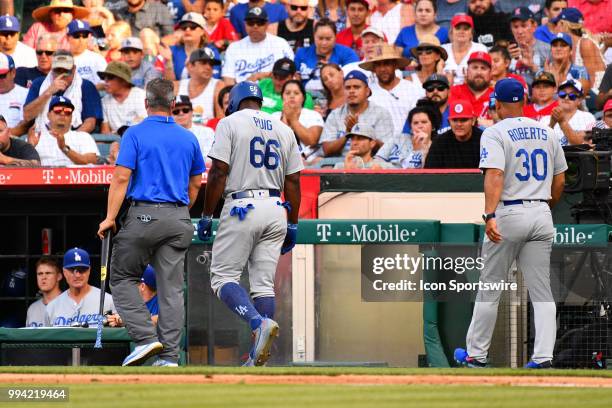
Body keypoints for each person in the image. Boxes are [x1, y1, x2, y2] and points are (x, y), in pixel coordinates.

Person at [454, 78, 566, 369]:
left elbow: (494, 175)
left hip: (509, 212)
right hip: (542, 212)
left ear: (498, 104)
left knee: (490, 287)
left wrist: (490, 214)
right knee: (541, 291)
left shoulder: (494, 132)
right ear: (524, 101)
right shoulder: (546, 132)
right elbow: (560, 180)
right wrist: (542, 206)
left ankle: (476, 355)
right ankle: (543, 357)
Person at [97, 78, 204, 367]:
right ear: (172, 105)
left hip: (143, 215)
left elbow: (120, 177)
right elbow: (196, 183)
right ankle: (169, 357)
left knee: (121, 277)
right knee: (171, 290)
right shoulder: (189, 137)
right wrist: (180, 210)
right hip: (179, 217)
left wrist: (109, 218)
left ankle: (145, 338)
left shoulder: (135, 133)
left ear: (146, 104)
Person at [195, 81, 302, 366]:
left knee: (222, 278)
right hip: (276, 206)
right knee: (263, 286)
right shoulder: (283, 127)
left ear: (234, 101)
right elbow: (293, 181)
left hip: (243, 204)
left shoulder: (229, 122)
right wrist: (292, 224)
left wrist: (207, 215)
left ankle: (257, 323)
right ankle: (259, 356)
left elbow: (218, 171)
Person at [24, 50, 103, 134]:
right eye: (58, 71)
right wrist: (48, 92)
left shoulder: (86, 86)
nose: (62, 75)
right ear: (52, 69)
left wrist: (71, 139)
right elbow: (27, 116)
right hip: (42, 135)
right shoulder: (39, 84)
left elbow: (90, 122)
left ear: (74, 69)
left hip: (75, 136)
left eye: (66, 71)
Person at [320, 70, 394, 157]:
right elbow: (327, 150)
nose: (351, 91)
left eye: (356, 87)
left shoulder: (381, 114)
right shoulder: (335, 115)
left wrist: (362, 131)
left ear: (367, 91)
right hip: (341, 164)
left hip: (372, 163)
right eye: (348, 88)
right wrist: (348, 134)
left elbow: (386, 149)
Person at [360, 44, 424, 137]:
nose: (382, 69)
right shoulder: (367, 93)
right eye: (378, 65)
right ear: (373, 68)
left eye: (386, 64)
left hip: (408, 144)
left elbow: (419, 122)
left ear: (394, 65)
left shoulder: (412, 90)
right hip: (377, 146)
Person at [44, 247, 118, 327]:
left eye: (82, 270)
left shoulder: (108, 301)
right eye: (72, 270)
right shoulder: (52, 307)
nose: (77, 275)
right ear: (64, 272)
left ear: (89, 270)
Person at [223, 7, 294, 85]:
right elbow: (228, 79)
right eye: (251, 23)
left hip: (274, 92)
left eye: (260, 23)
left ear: (267, 24)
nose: (255, 26)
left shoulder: (280, 44)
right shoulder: (234, 48)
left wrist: (262, 75)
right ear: (245, 24)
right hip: (243, 93)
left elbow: (291, 73)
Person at [295, 18, 359, 99]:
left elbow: (355, 82)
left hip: (338, 101)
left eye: (328, 39)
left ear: (336, 37)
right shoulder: (301, 53)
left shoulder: (348, 54)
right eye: (320, 38)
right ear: (314, 36)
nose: (324, 43)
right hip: (306, 101)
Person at [31, 96, 99, 166]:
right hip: (45, 175)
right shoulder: (36, 137)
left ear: (71, 117)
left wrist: (64, 148)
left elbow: (92, 161)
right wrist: (31, 147)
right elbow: (25, 167)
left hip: (73, 175)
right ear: (48, 115)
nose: (62, 114)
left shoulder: (83, 137)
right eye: (57, 110)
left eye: (67, 111)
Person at [554, 7, 606, 92]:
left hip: (596, 94)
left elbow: (594, 81)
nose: (554, 28)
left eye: (556, 23)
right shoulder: (569, 46)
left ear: (563, 24)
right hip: (580, 93)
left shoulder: (585, 43)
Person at [274, 79, 324, 165]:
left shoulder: (313, 115)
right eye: (287, 93)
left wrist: (293, 120)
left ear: (303, 97)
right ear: (282, 97)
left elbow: (311, 140)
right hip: (279, 162)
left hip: (308, 163)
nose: (292, 96)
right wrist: (285, 119)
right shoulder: (273, 117)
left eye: (296, 93)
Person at [424, 99, 483, 168]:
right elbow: (429, 173)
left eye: (464, 120)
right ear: (449, 122)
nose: (459, 124)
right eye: (454, 120)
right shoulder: (440, 142)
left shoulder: (484, 140)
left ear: (473, 121)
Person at [177, 47, 225, 125]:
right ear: (190, 66)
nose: (208, 67)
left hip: (207, 135)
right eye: (203, 63)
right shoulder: (177, 86)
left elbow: (222, 122)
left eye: (211, 64)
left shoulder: (218, 86)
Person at [540, 79, 595, 145]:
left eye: (572, 96)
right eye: (562, 94)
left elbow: (584, 144)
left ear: (579, 100)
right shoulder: (545, 119)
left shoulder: (588, 117)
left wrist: (563, 123)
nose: (566, 98)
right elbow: (541, 145)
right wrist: (551, 124)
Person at [100, 61, 147, 134]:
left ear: (124, 81)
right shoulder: (104, 101)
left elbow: (145, 125)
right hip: (115, 141)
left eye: (110, 78)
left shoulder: (140, 96)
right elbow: (105, 132)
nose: (106, 81)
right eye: (104, 78)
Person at [508, 7, 551, 87]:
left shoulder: (547, 49)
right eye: (515, 27)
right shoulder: (507, 51)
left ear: (534, 26)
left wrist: (532, 65)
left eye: (524, 26)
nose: (519, 32)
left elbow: (552, 82)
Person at [23, 0, 90, 50]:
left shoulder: (81, 32)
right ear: (50, 14)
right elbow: (25, 53)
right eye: (57, 10)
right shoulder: (37, 28)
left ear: (72, 14)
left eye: (66, 10)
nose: (61, 14)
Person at [442, 14, 488, 86]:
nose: (462, 31)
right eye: (458, 28)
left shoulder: (480, 49)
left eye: (466, 29)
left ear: (471, 33)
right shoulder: (443, 50)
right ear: (451, 31)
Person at [449, 51, 494, 120]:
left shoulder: (497, 95)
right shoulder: (454, 91)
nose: (479, 72)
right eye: (475, 67)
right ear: (466, 71)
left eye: (483, 68)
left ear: (490, 73)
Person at [172, 94, 215, 165]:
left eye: (185, 110)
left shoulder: (207, 132)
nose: (181, 113)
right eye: (176, 111)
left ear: (192, 112)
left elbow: (209, 159)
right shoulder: (167, 136)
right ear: (171, 115)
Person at [67, 19, 108, 88]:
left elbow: (106, 83)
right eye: (76, 36)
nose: (81, 40)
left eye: (84, 36)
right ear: (68, 37)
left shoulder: (97, 59)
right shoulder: (61, 60)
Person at [26, 256, 63, 327]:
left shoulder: (69, 304)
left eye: (48, 273)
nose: (43, 277)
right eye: (40, 274)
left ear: (59, 276)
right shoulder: (32, 309)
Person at [0, 54, 29, 131]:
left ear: (13, 73)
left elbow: (26, 124)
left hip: (16, 140)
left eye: (2, 76)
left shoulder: (26, 95)